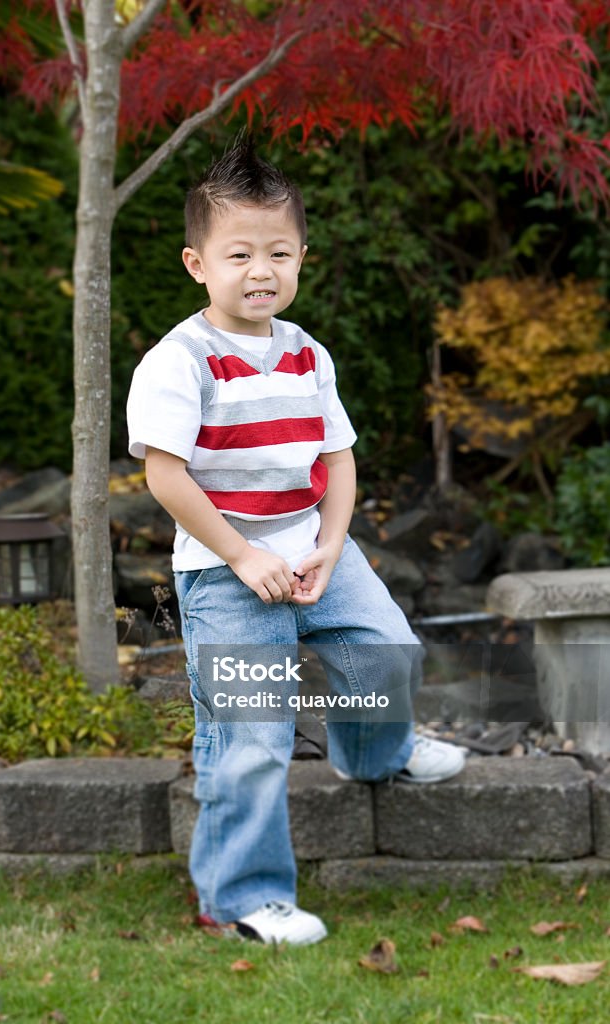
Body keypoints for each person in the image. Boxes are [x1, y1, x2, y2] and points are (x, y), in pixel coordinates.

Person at [126, 138, 465, 946]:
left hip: (314, 545)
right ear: (196, 262)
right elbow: (167, 478)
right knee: (252, 735)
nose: (260, 270)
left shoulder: (307, 351)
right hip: (224, 568)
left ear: (301, 257)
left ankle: (374, 756)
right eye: (238, 253)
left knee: (386, 649)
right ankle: (242, 897)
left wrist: (329, 543)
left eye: (278, 252)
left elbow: (335, 457)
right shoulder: (179, 362)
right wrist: (244, 555)